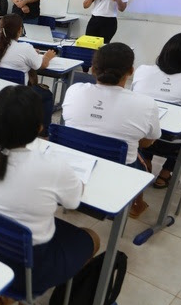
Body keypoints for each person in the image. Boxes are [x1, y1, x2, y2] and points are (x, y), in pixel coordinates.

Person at [0, 85, 100, 305]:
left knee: (26, 225)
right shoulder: (51, 167)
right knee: (92, 237)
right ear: (38, 129)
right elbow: (73, 203)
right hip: (30, 269)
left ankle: (9, 295)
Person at [62, 42, 161, 217]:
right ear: (131, 71)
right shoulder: (146, 104)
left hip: (75, 162)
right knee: (142, 161)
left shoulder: (73, 90)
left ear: (93, 69)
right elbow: (148, 142)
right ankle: (136, 205)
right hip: (118, 171)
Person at [132, 33, 181, 188]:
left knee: (150, 119)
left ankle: (146, 162)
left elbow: (134, 94)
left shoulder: (143, 70)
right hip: (172, 142)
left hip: (139, 136)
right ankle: (165, 174)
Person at [0, 14, 57, 134]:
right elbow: (41, 65)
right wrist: (47, 57)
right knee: (47, 94)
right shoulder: (26, 48)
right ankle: (43, 133)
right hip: (17, 96)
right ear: (20, 30)